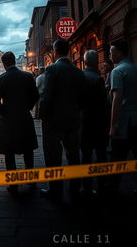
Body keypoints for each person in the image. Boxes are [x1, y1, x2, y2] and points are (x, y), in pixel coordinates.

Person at [39, 39, 86, 203]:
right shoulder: (79, 71)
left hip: (54, 120)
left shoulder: (52, 69)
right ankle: (75, 189)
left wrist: (42, 114)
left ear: (55, 51)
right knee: (74, 155)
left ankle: (55, 190)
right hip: (73, 119)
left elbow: (46, 95)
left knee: (53, 156)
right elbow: (82, 98)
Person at [0, 51, 39, 193]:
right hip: (24, 117)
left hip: (8, 119)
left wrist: (2, 112)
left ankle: (13, 183)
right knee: (28, 149)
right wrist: (28, 107)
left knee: (9, 151)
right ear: (13, 61)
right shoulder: (27, 76)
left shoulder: (0, 79)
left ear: (4, 63)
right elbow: (35, 95)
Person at [108, 40, 137, 193]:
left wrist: (113, 126)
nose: (109, 55)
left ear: (118, 53)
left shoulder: (117, 71)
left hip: (124, 123)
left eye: (111, 52)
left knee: (117, 159)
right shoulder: (134, 67)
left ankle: (111, 191)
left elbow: (117, 99)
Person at [80, 50, 109, 197]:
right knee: (101, 155)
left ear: (84, 62)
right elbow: (104, 105)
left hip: (84, 123)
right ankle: (102, 185)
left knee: (85, 155)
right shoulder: (98, 78)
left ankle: (86, 186)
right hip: (99, 123)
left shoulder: (81, 77)